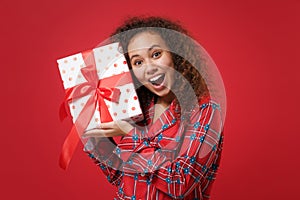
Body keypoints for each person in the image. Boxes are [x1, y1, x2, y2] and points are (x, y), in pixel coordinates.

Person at [82, 16, 225, 200]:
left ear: (176, 55)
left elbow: (179, 183)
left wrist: (131, 133)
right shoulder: (141, 108)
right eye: (138, 62)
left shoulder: (205, 111)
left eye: (156, 54)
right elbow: (122, 178)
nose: (149, 68)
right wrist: (95, 136)